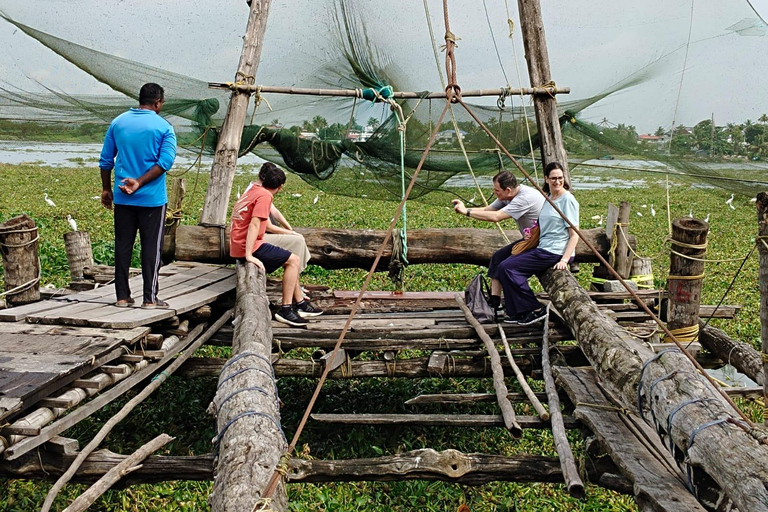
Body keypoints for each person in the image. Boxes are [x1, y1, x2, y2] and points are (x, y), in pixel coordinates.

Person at [99, 83, 176, 309]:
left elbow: (105, 160)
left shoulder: (118, 122)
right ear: (158, 102)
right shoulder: (164, 128)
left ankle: (122, 297)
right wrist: (140, 182)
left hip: (123, 198)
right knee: (151, 247)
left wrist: (106, 189)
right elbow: (164, 163)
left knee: (123, 245)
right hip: (152, 199)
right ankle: (150, 299)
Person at [229, 163, 323, 327]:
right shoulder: (265, 196)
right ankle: (286, 309)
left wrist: (290, 231)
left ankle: (299, 302)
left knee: (292, 253)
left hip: (241, 242)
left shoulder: (255, 190)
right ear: (280, 187)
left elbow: (262, 224)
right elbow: (254, 225)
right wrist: (249, 255)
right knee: (293, 260)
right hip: (248, 245)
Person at [497, 162, 579, 326]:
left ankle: (533, 309)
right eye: (553, 178)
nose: (557, 182)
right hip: (543, 247)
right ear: (546, 179)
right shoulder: (548, 197)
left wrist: (564, 260)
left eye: (560, 178)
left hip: (554, 251)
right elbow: (544, 225)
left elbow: (574, 234)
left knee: (508, 267)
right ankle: (517, 313)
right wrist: (532, 233)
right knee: (502, 265)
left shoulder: (567, 200)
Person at [452, 171, 545, 315]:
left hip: (542, 243)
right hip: (528, 241)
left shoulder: (525, 198)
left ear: (508, 190)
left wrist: (467, 213)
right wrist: (465, 209)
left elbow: (496, 216)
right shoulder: (507, 195)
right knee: (497, 258)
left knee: (507, 268)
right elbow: (489, 209)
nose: (495, 193)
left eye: (497, 191)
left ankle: (530, 308)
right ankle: (495, 303)